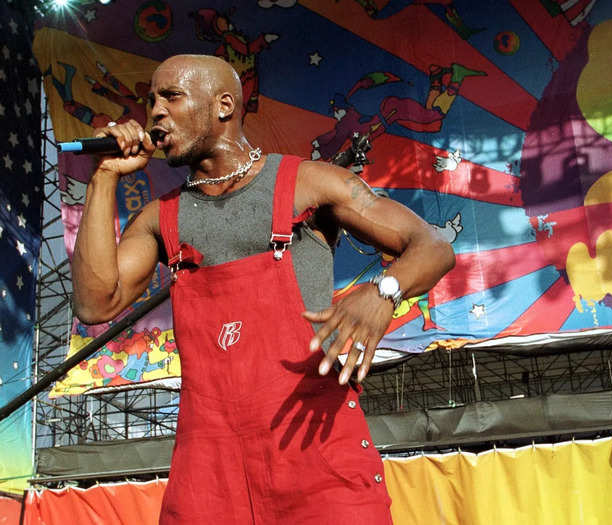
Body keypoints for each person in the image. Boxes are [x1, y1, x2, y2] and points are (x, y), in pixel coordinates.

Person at [72, 54, 455, 524]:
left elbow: (433, 246)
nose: (154, 112)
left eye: (171, 97)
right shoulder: (159, 218)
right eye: (151, 100)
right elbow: (95, 302)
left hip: (315, 457)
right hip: (209, 472)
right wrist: (105, 177)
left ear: (224, 105)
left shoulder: (308, 184)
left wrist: (384, 290)